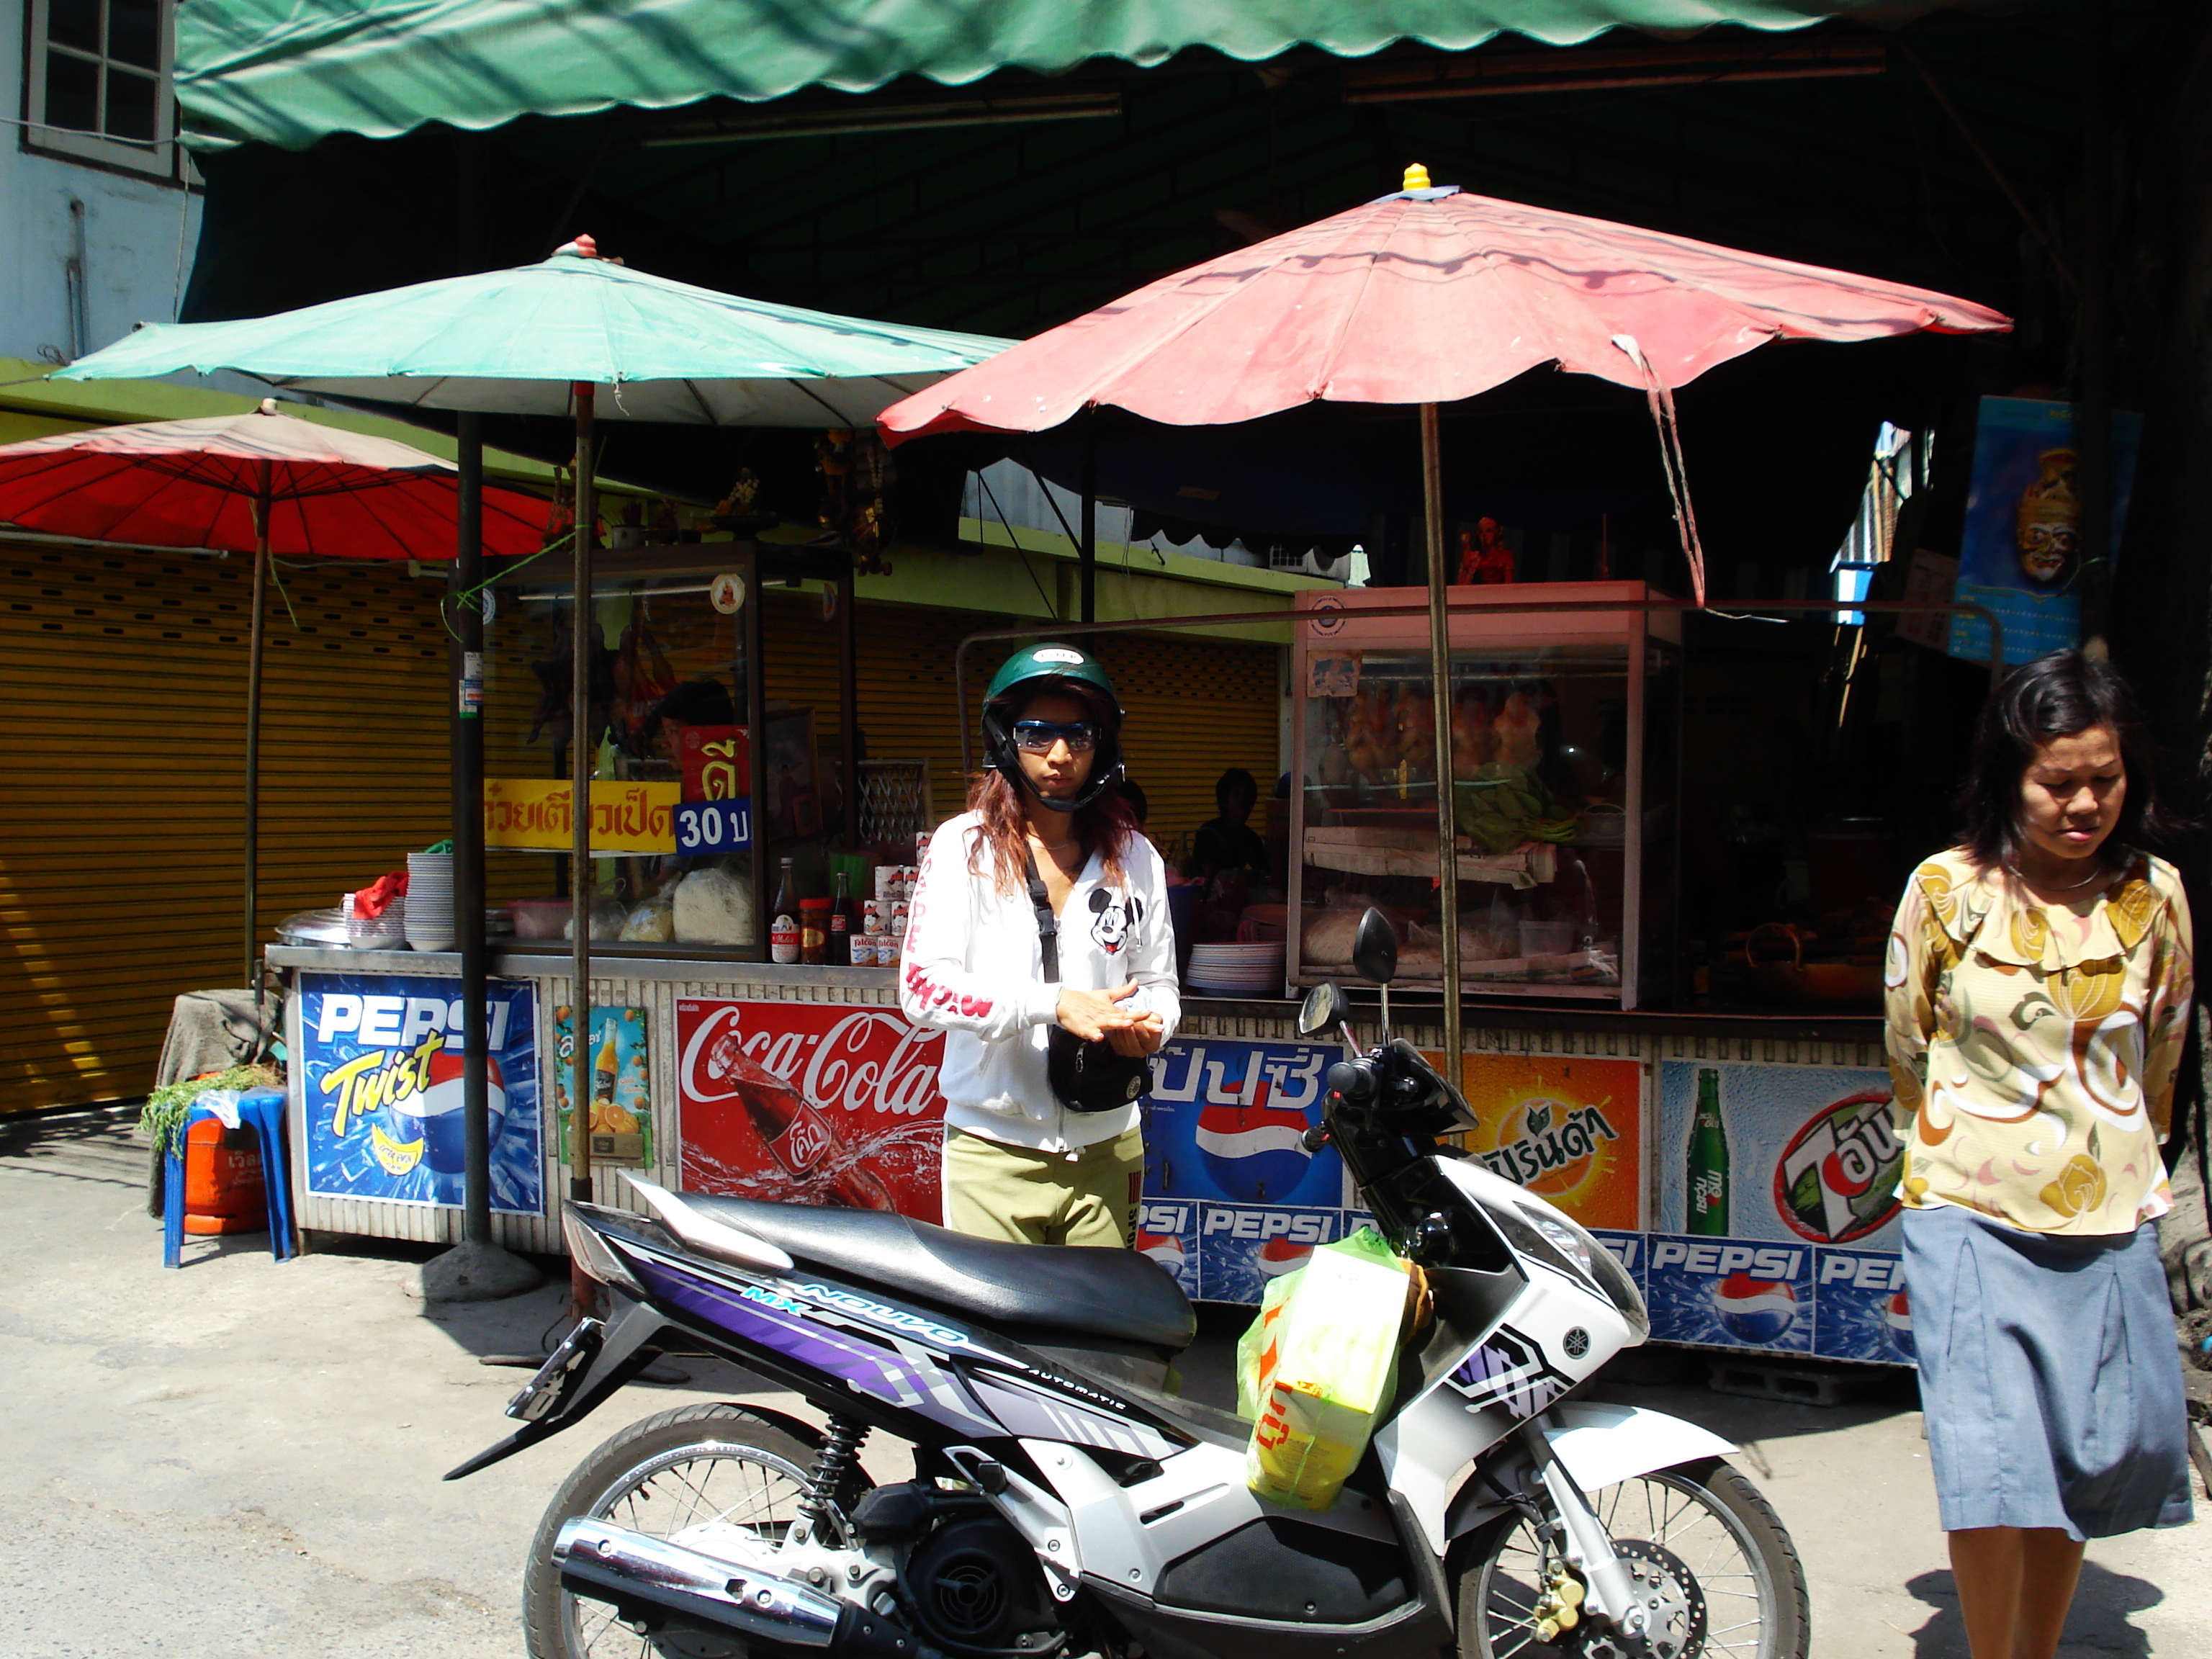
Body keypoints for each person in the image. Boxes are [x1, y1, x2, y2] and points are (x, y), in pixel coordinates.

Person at [1884, 649, 2194, 1659]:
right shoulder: (1944, 892)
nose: (2084, 803)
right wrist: (1944, 1148)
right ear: (2008, 776)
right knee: (1986, 1460)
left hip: (2107, 1218)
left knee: (2079, 1457)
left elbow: (2163, 1059)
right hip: (1966, 1207)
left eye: (2103, 780)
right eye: (2058, 781)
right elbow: (1907, 1039)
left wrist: (2124, 1157)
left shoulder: (2157, 901)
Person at [901, 644, 1179, 1246]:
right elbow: (920, 988)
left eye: (1079, 736)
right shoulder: (962, 849)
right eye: (1037, 735)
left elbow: (1160, 981)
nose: (1059, 755)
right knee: (998, 1341)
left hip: (1109, 1146)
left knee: (1102, 1338)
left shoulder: (1137, 857)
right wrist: (1050, 1003)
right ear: (1006, 739)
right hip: (991, 1154)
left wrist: (1153, 1025)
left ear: (1102, 744)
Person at [1185, 767, 1269, 880]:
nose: (1243, 800)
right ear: (1224, 801)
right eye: (1236, 795)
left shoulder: (1252, 839)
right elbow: (1212, 877)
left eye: (1247, 795)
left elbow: (1266, 873)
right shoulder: (1208, 834)